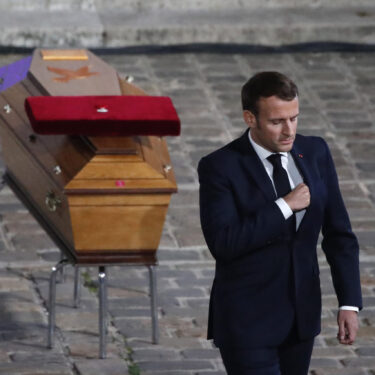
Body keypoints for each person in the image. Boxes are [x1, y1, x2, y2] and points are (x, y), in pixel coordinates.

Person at [198, 72, 362, 375]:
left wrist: (349, 303)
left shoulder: (315, 152)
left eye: (294, 118)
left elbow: (339, 235)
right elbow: (224, 243)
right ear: (250, 118)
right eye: (277, 122)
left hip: (301, 320)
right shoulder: (220, 167)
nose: (289, 130)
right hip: (248, 322)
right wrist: (284, 205)